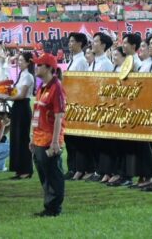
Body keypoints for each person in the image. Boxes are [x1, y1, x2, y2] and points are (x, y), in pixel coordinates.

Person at [31, 53, 66, 217]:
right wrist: (32, 138)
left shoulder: (56, 87)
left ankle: (54, 208)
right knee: (44, 174)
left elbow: (59, 116)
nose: (36, 67)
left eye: (39, 65)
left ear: (49, 68)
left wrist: (55, 142)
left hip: (49, 139)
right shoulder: (41, 86)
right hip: (39, 138)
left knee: (53, 174)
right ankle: (49, 206)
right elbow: (36, 113)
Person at [0, 50, 35, 179]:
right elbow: (16, 93)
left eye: (21, 60)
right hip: (17, 108)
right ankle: (19, 169)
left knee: (23, 139)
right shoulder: (22, 75)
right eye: (18, 60)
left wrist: (6, 98)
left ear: (27, 62)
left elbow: (22, 95)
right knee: (16, 139)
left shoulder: (28, 76)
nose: (18, 63)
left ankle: (26, 170)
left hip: (23, 108)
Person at [64, 32, 90, 181]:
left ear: (80, 43)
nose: (70, 44)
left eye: (73, 41)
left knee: (77, 140)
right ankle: (73, 167)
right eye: (69, 41)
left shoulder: (81, 61)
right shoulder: (73, 60)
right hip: (69, 102)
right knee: (70, 139)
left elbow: (81, 83)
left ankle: (79, 168)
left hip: (76, 103)